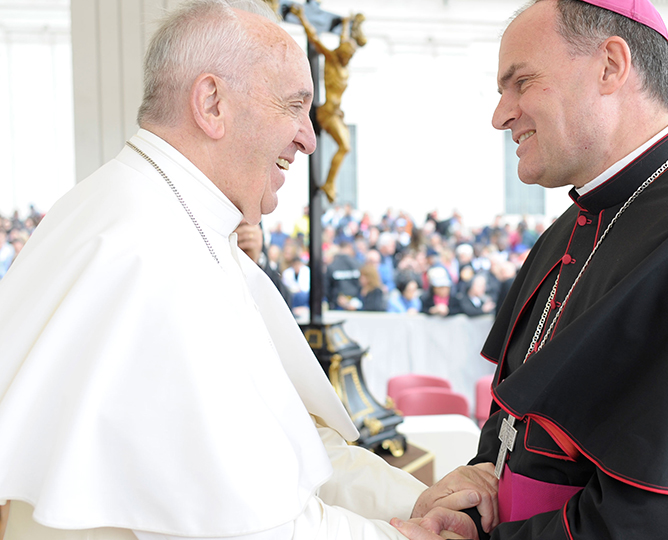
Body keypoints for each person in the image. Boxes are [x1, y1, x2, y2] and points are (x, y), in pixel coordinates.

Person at [0, 1, 456, 538]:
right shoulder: (152, 257)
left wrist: (418, 500)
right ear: (212, 104)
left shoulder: (164, 216)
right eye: (294, 106)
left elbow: (285, 446)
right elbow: (249, 524)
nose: (310, 138)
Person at [394, 0, 668, 538]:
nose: (500, 115)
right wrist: (476, 493)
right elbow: (520, 420)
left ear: (610, 66)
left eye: (522, 82)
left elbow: (654, 521)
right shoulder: (576, 224)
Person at [292, 5, 366, 203]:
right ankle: (329, 183)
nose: (348, 58)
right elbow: (314, 39)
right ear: (341, 54)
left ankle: (330, 183)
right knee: (344, 146)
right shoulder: (332, 58)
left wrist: (346, 24)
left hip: (336, 111)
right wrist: (302, 17)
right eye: (346, 55)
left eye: (350, 56)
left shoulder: (342, 64)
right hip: (326, 112)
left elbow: (343, 40)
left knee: (346, 147)